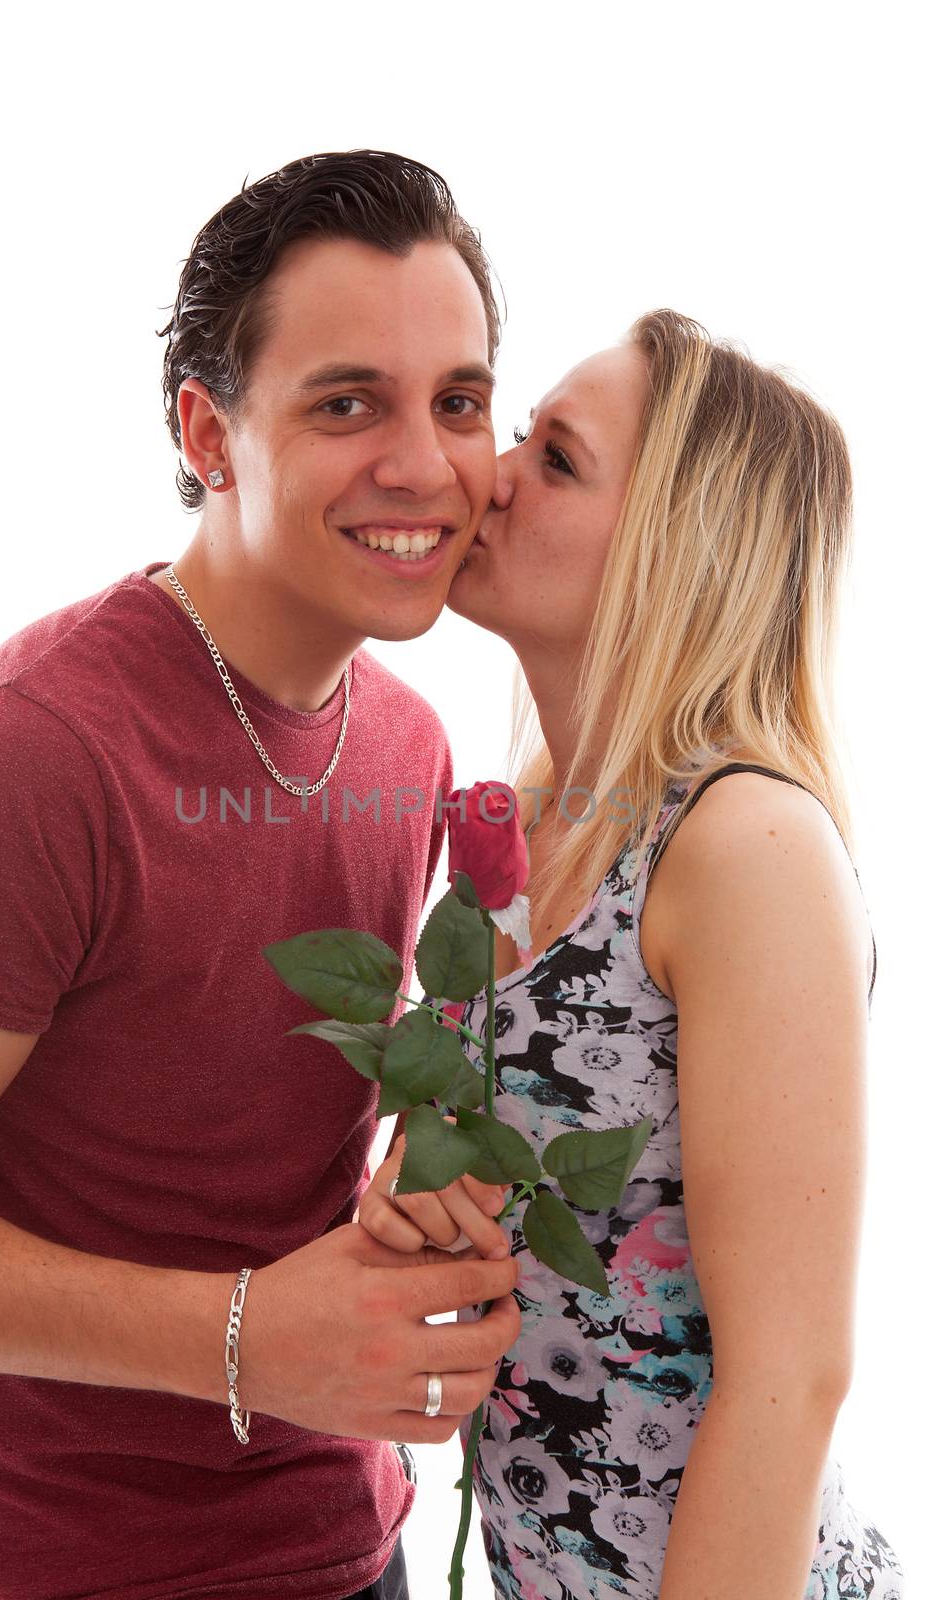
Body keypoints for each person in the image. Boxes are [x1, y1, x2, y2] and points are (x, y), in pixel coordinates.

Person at [0, 150, 522, 1600]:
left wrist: (419, 1182)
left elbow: (254, 1124)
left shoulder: (405, 739)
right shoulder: (34, 759)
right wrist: (237, 1337)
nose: (424, 464)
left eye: (458, 401)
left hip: (349, 1545)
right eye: (348, 401)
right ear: (209, 435)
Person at [361, 311, 906, 1598]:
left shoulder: (744, 845)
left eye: (553, 458)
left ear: (675, 547)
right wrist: (412, 1216)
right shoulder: (531, 829)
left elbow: (788, 1378)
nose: (486, 474)